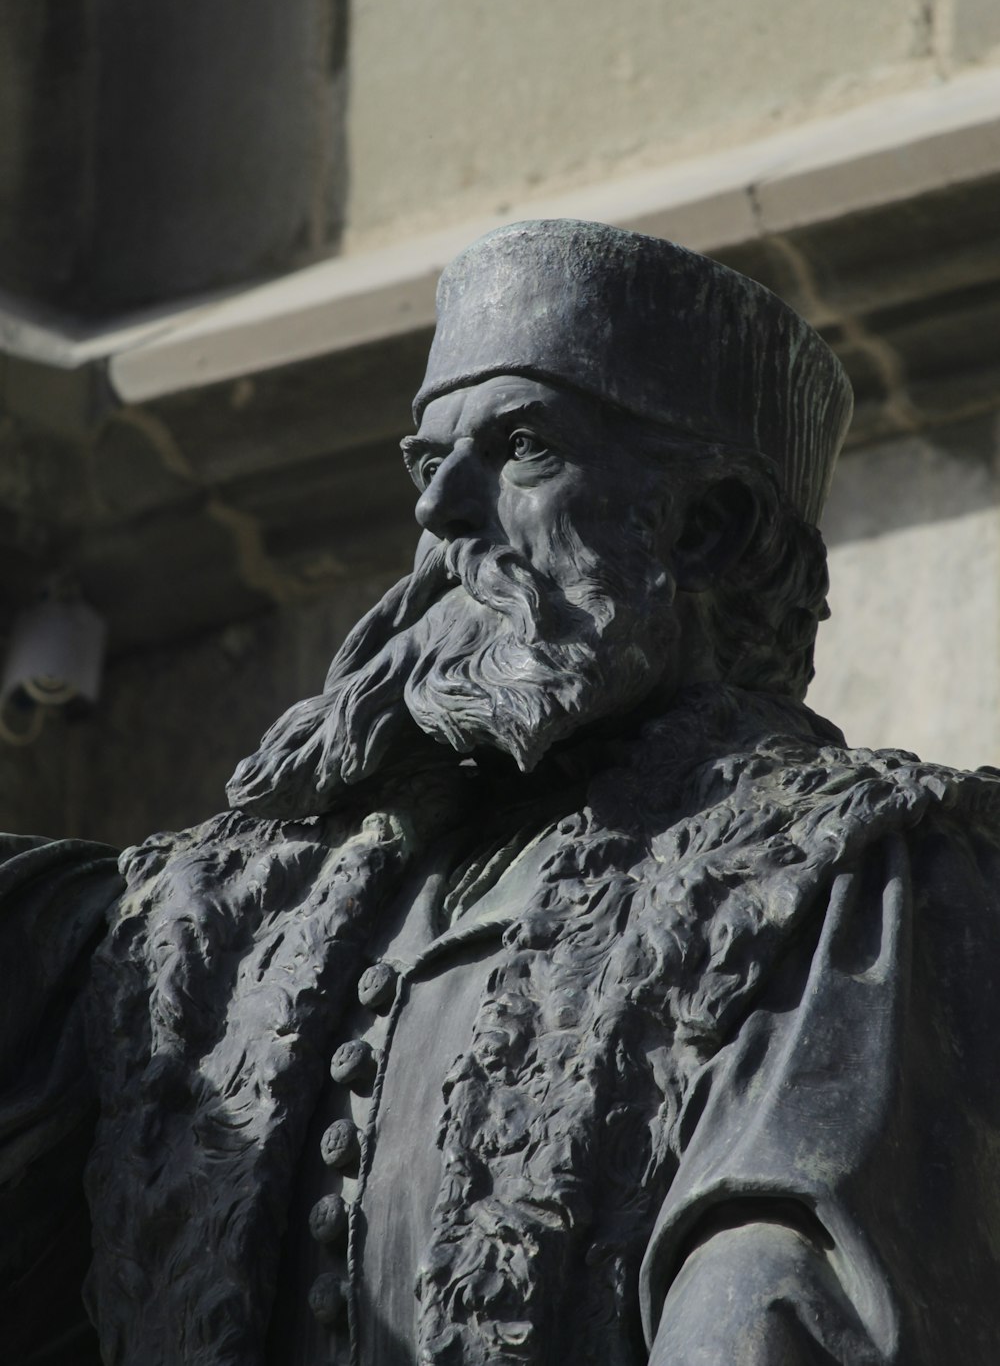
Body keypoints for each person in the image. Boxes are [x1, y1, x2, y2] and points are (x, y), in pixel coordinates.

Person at [4, 219, 1000, 1366]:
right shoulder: (208, 930)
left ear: (704, 526)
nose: (438, 515)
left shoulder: (851, 886)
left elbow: (777, 1314)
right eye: (429, 467)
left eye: (521, 446)